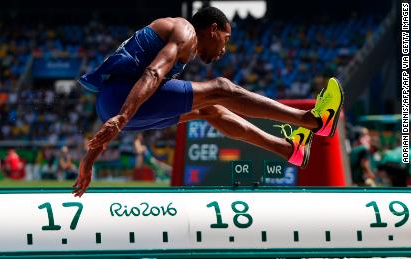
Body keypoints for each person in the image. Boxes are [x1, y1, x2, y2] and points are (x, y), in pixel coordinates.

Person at [73, 7, 344, 197]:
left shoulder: (177, 39)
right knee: (222, 88)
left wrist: (89, 159)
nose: (223, 50)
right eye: (225, 40)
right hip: (124, 100)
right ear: (213, 30)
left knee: (211, 109)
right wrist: (121, 117)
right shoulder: (185, 31)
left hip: (111, 104)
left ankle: (290, 150)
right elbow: (153, 73)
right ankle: (313, 121)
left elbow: (134, 89)